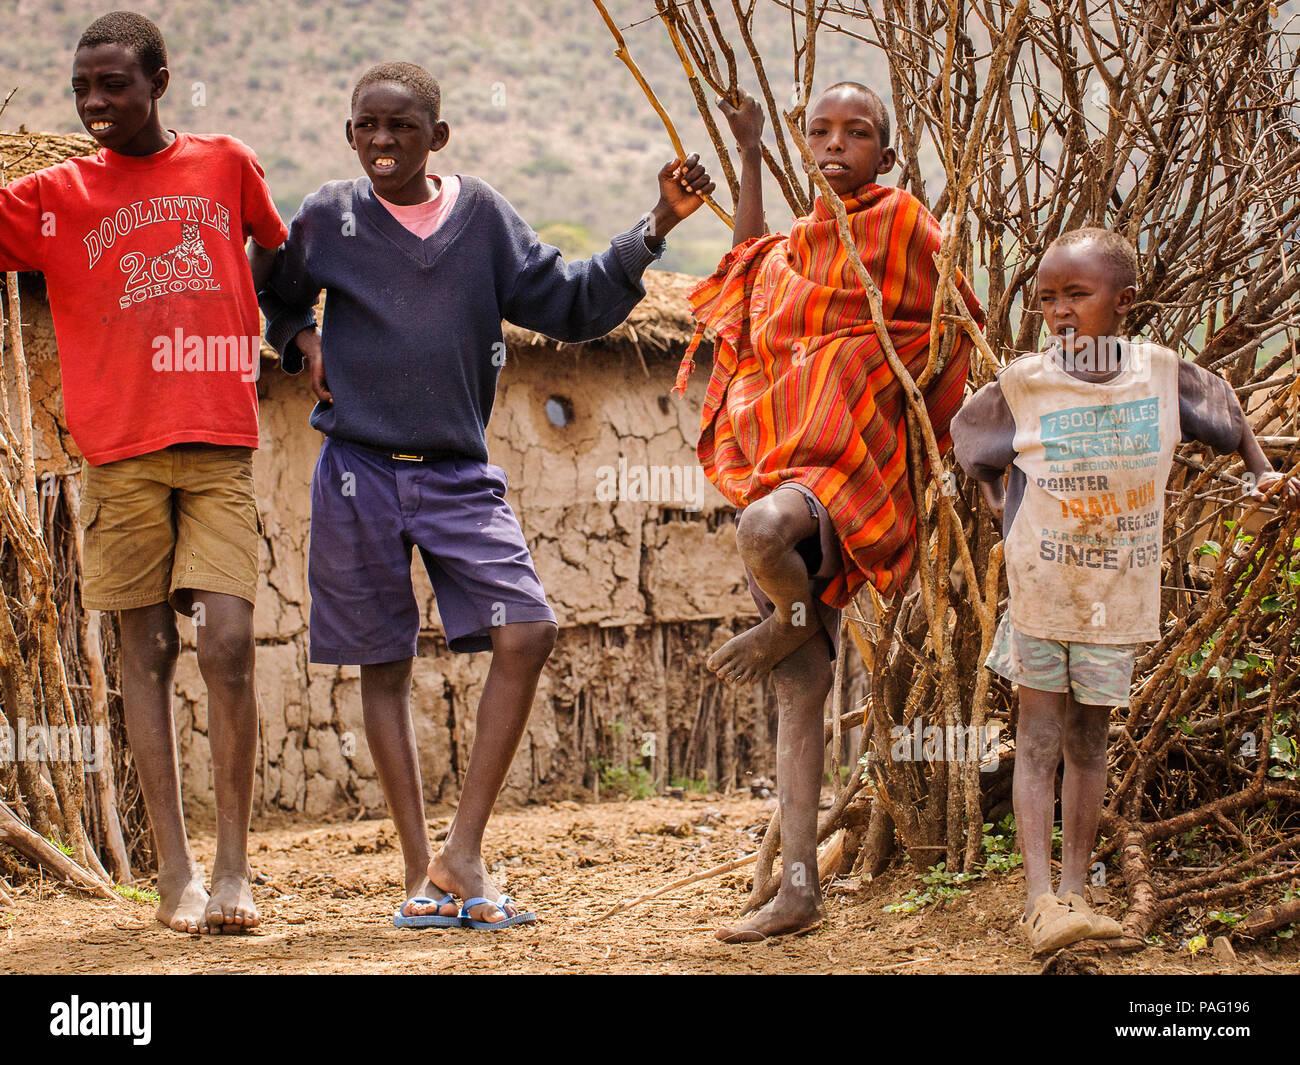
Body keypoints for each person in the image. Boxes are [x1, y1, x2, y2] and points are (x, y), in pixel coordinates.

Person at [259, 61, 715, 929]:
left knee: (529, 627)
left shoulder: (483, 220)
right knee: (383, 664)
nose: (382, 142)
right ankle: (421, 875)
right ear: (351, 133)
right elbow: (273, 287)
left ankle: (460, 851)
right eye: (367, 127)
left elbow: (573, 303)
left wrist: (657, 223)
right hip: (355, 467)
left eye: (401, 127)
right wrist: (301, 336)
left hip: (457, 472)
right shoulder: (328, 216)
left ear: (439, 136)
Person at [0, 11, 287, 934]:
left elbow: (280, 257)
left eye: (114, 85)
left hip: (215, 439)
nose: (94, 104)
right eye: (82, 87)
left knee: (228, 643)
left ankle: (237, 868)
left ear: (160, 81)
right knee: (148, 652)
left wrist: (299, 333)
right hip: (117, 454)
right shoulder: (54, 195)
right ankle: (177, 877)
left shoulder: (225, 164)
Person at [675, 84, 983, 941]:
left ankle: (788, 615)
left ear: (887, 152)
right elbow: (745, 273)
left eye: (858, 133)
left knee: (761, 531)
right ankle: (800, 887)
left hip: (853, 462)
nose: (836, 144)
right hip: (780, 453)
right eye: (821, 131)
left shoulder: (907, 225)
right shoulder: (797, 243)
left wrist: (867, 363)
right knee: (802, 681)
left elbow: (954, 323)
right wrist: (746, 148)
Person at [951, 226, 1299, 954]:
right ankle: (1042, 898)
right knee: (1039, 737)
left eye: (1078, 294)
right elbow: (968, 440)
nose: (1061, 313)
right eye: (1048, 299)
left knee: (1090, 736)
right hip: (1044, 587)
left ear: (1125, 302)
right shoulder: (1025, 382)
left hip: (1118, 590)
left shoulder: (1162, 376)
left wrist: (1261, 472)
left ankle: (1079, 888)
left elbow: (1229, 420)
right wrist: (998, 505)